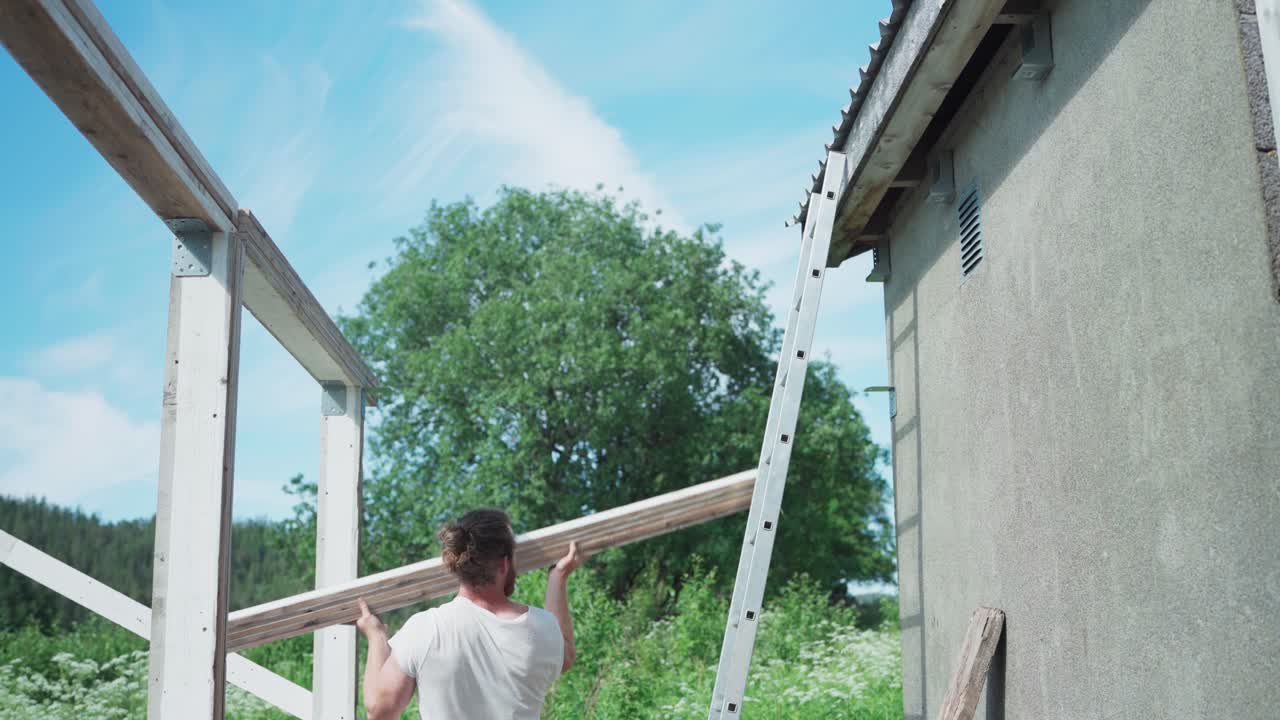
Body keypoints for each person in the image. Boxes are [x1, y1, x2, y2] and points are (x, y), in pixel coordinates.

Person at [354, 508, 583, 720]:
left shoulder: (426, 629)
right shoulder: (541, 628)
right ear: (504, 564)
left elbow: (379, 710)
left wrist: (376, 636)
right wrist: (558, 578)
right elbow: (565, 655)